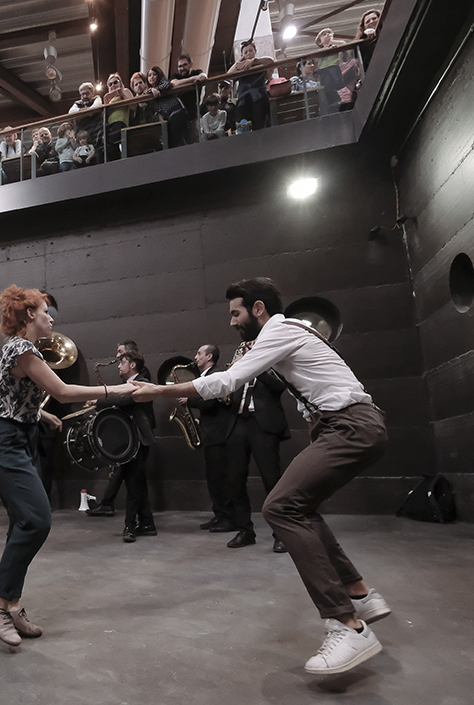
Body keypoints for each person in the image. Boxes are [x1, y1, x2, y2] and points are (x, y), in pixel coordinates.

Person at [132, 277, 392, 675]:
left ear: (257, 309)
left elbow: (228, 380)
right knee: (300, 508)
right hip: (349, 424)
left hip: (350, 425)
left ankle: (347, 625)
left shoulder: (280, 330)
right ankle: (361, 594)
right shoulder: (295, 331)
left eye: (236, 313)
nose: (233, 322)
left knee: (281, 508)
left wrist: (159, 391)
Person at [0, 285, 136, 647]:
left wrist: (44, 416)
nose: (51, 318)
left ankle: (12, 603)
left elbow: (18, 398)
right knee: (37, 519)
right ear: (30, 314)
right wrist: (116, 390)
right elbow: (64, 391)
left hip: (21, 437)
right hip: (5, 442)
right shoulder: (20, 347)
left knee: (24, 523)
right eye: (47, 311)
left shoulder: (28, 351)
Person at [220, 343, 291, 552]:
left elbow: (279, 387)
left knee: (272, 479)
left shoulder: (272, 363)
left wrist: (255, 365)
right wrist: (234, 371)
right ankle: (245, 531)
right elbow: (228, 392)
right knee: (234, 479)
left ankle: (281, 534)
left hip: (263, 425)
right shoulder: (240, 368)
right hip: (238, 423)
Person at [94, 350, 157, 542]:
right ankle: (147, 524)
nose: (119, 366)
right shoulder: (125, 384)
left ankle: (130, 527)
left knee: (133, 485)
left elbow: (125, 400)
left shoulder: (142, 381)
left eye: (122, 362)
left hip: (138, 440)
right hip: (129, 442)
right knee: (137, 484)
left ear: (132, 366)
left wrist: (99, 401)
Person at [185, 344, 234, 532]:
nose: (196, 357)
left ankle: (228, 518)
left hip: (218, 435)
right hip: (210, 433)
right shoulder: (205, 376)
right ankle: (220, 514)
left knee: (220, 478)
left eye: (199, 353)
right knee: (214, 478)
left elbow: (211, 401)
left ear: (209, 356)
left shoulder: (216, 375)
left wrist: (189, 399)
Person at [228, 40, 274, 130]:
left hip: (259, 98)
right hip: (243, 100)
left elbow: (270, 61)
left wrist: (253, 61)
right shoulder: (240, 68)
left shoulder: (260, 63)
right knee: (243, 127)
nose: (248, 53)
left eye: (251, 50)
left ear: (255, 51)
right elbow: (229, 75)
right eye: (245, 52)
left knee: (260, 125)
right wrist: (241, 61)